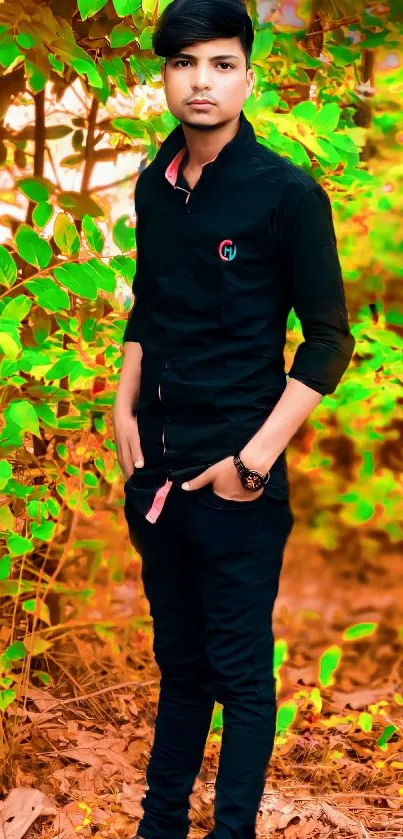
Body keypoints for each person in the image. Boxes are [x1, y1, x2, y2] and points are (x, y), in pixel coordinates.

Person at [113, 1, 356, 837]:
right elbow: (149, 305)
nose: (201, 80)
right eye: (184, 64)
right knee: (179, 668)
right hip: (155, 476)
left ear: (248, 76)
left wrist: (249, 465)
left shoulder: (286, 193)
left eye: (220, 63)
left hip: (235, 480)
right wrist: (121, 402)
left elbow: (328, 342)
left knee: (241, 676)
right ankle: (159, 826)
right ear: (165, 77)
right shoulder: (156, 182)